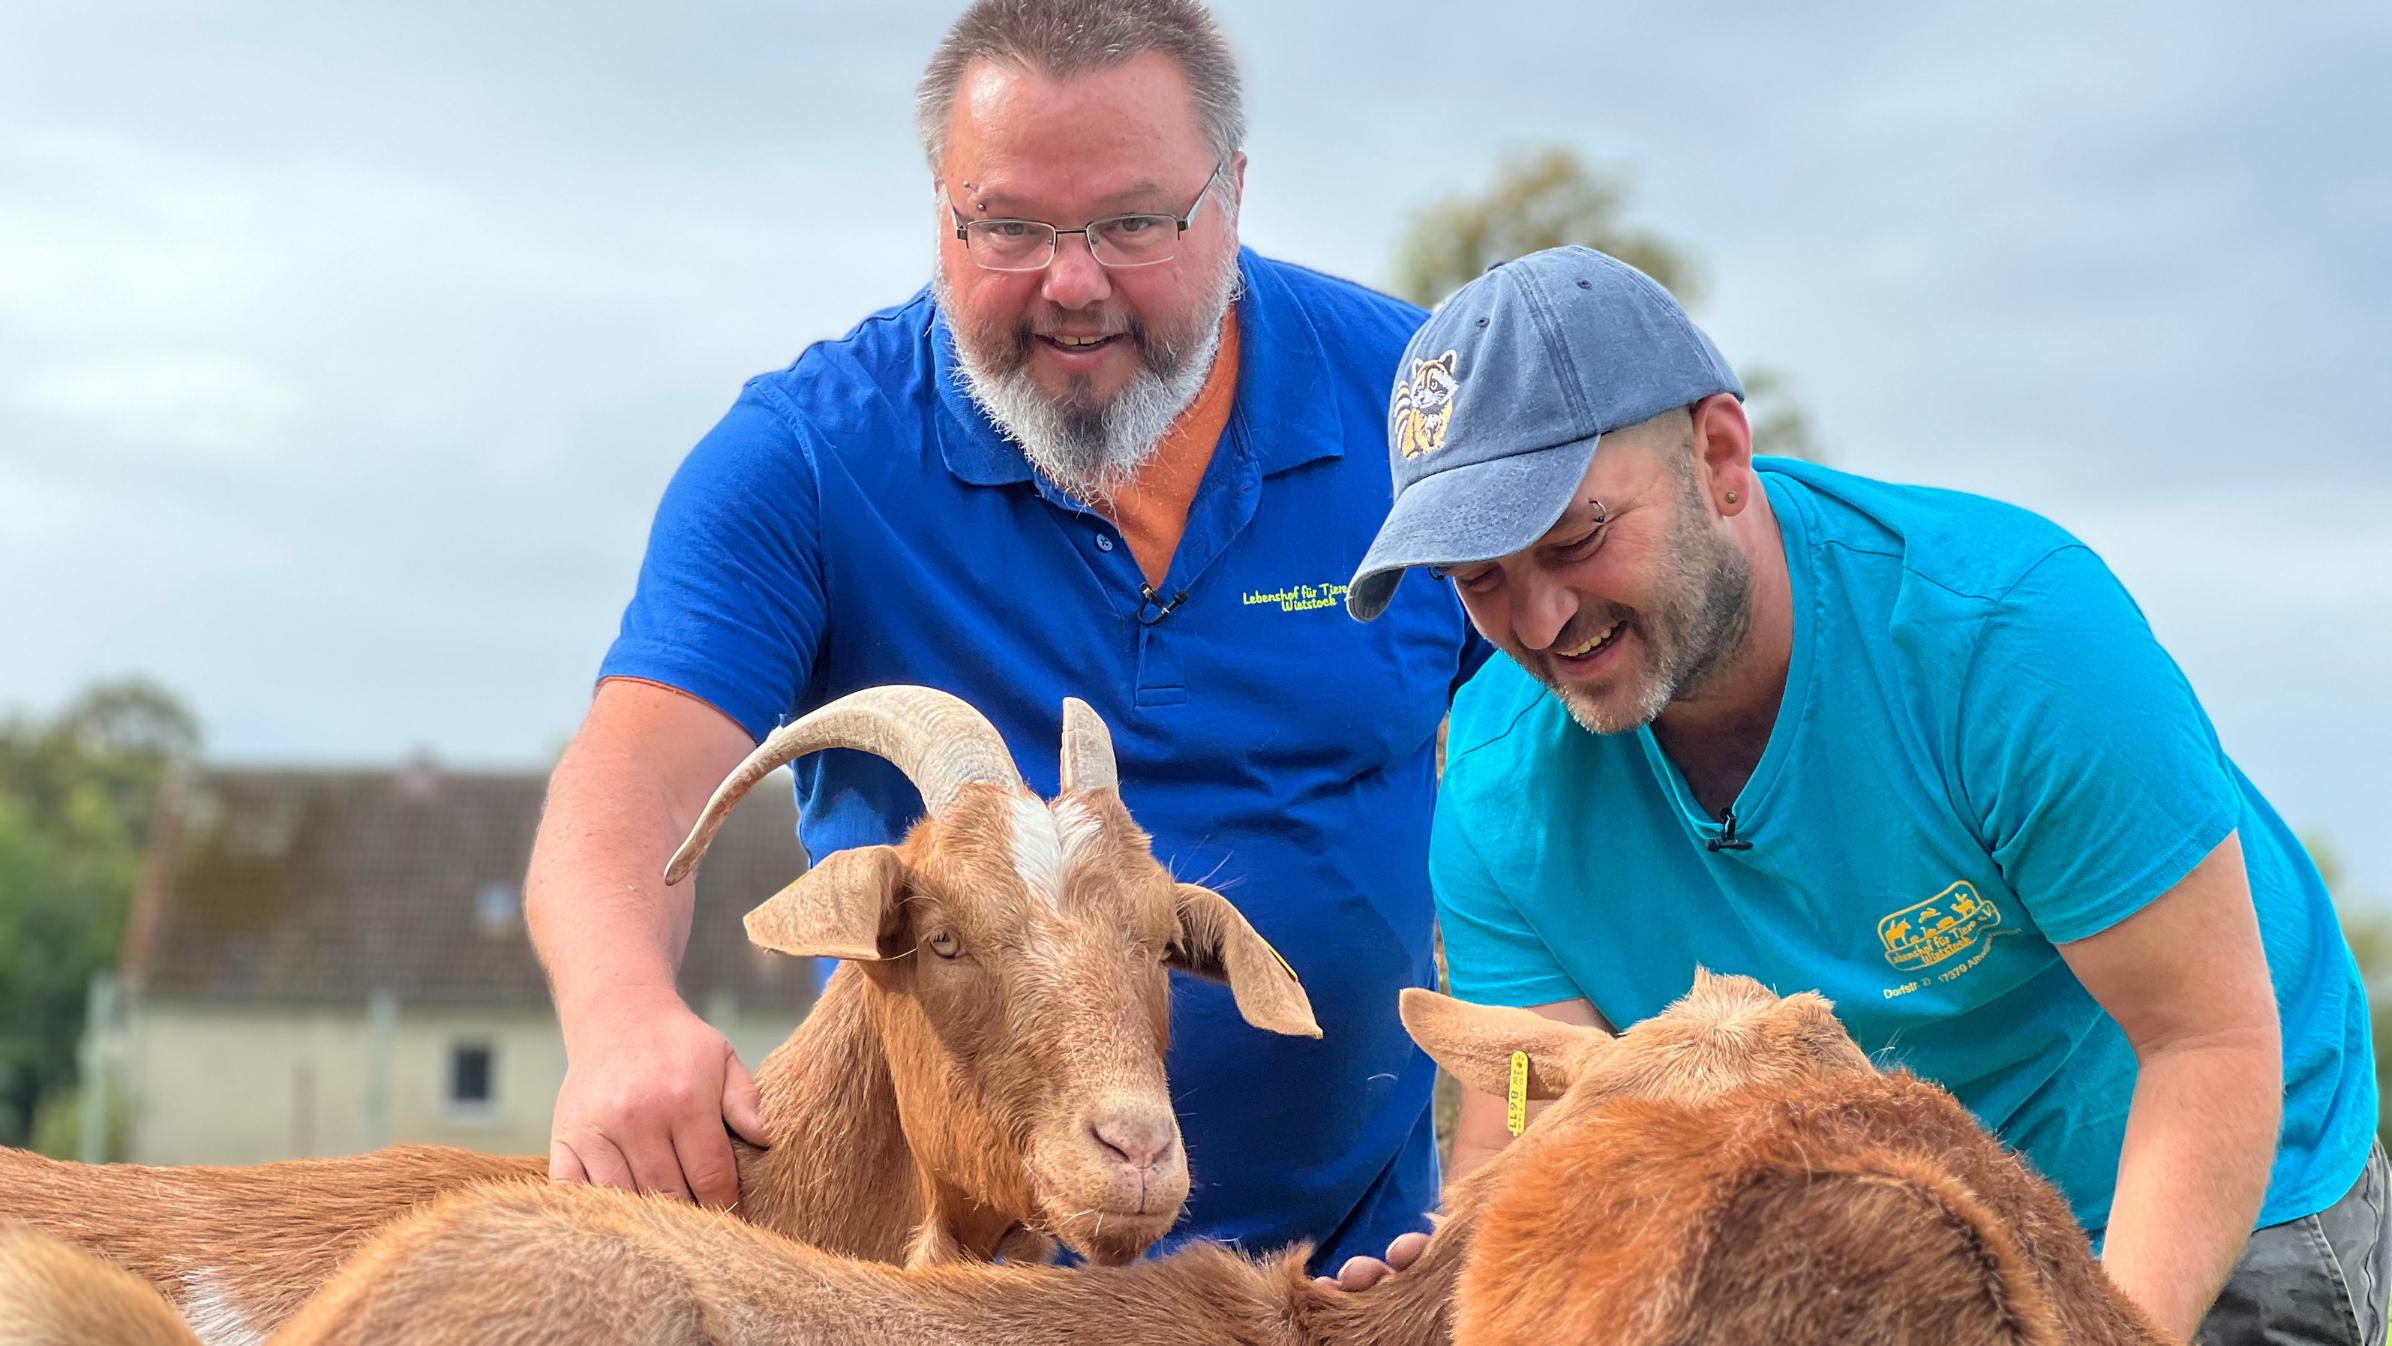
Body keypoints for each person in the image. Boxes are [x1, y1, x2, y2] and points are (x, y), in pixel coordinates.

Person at [522, 0, 1484, 1270]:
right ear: (940, 206)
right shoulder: (808, 459)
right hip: (930, 1285)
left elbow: (1580, 737)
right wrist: (620, 1013)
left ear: (1232, 194)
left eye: (1133, 223)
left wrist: (1500, 1180)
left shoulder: (1418, 406)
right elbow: (634, 774)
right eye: (1010, 225)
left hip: (1353, 1278)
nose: (1071, 283)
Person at [1338, 245, 2384, 1344]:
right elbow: (1537, 1119)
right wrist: (1468, 1277)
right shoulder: (1502, 784)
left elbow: (2204, 1043)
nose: (1542, 621)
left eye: (1577, 538)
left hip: (2192, 1163)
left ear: (1719, 453)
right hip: (1868, 1240)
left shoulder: (2006, 639)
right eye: (1481, 580)